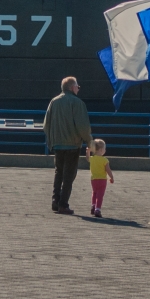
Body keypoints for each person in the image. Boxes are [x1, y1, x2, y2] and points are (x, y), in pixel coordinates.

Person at [44, 76, 92, 215]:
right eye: (77, 86)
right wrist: (89, 142)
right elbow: (83, 126)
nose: (78, 89)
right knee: (69, 176)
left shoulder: (53, 102)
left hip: (57, 145)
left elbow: (46, 125)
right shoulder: (77, 103)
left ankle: (55, 201)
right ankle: (63, 204)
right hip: (72, 145)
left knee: (58, 173)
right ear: (72, 87)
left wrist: (51, 141)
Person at [88, 138, 114, 218]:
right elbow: (108, 170)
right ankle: (97, 209)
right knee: (100, 195)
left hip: (93, 180)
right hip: (102, 180)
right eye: (104, 149)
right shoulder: (104, 160)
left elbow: (87, 158)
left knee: (94, 193)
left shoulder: (92, 159)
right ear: (101, 150)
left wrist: (87, 152)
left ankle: (93, 205)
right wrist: (111, 177)